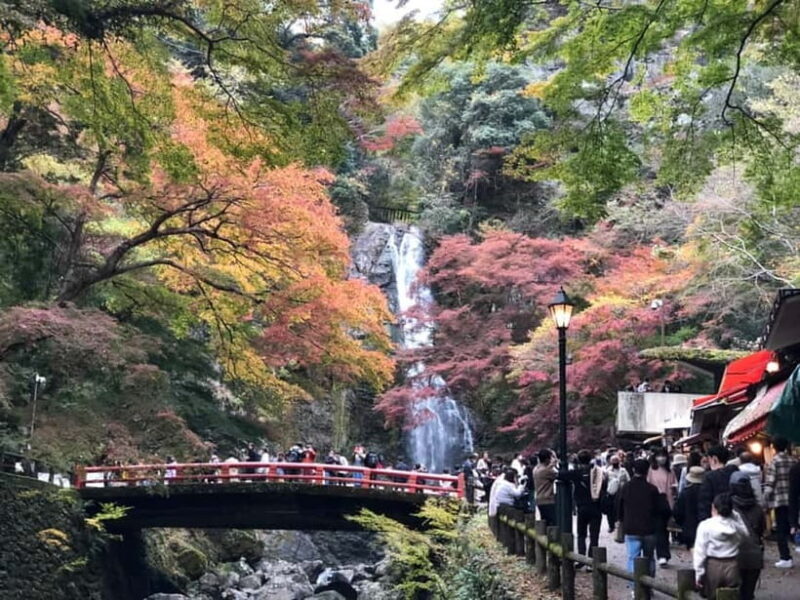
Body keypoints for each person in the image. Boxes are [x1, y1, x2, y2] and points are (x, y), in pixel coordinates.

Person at [693, 493, 748, 598]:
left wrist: (698, 574)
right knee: (731, 596)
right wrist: (735, 515)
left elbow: (700, 552)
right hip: (732, 565)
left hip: (713, 566)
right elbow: (746, 535)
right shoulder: (736, 526)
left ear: (714, 507)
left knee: (712, 596)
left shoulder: (705, 525)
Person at [617, 459, 664, 579]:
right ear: (647, 471)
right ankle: (649, 582)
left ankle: (634, 584)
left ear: (633, 470)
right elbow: (659, 509)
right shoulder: (652, 489)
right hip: (649, 528)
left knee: (633, 557)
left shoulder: (626, 487)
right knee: (649, 557)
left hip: (631, 528)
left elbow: (619, 508)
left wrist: (620, 520)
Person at [730, 471, 765, 600]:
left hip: (733, 554)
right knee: (748, 593)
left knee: (734, 592)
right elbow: (762, 530)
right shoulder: (757, 508)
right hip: (754, 555)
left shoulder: (727, 507)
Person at [764, 435, 796, 568]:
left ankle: (785, 557)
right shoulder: (793, 460)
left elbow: (770, 483)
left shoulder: (774, 462)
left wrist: (765, 499)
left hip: (780, 499)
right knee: (794, 525)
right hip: (794, 499)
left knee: (781, 530)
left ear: (774, 447)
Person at [568, 449, 605, 559]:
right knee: (594, 535)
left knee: (581, 534)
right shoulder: (597, 472)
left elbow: (561, 475)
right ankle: (592, 558)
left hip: (582, 507)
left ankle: (581, 557)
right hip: (595, 506)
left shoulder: (576, 473)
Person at [647, 448, 677, 565]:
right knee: (659, 529)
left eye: (663, 455)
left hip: (668, 502)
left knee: (665, 529)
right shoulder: (651, 470)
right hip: (655, 502)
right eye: (659, 455)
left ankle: (664, 553)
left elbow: (674, 485)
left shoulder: (670, 470)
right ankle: (662, 555)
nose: (662, 458)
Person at [698, 446, 737, 522]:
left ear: (714, 459)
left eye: (709, 459)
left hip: (717, 519)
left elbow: (705, 504)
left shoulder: (709, 477)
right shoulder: (735, 472)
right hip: (736, 518)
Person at [673, 466, 704, 549]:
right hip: (704, 527)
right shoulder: (707, 491)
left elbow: (678, 511)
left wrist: (681, 523)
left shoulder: (685, 492)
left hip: (688, 528)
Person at [604, 453, 630, 532]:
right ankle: (611, 526)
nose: (615, 462)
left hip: (621, 492)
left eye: (616, 461)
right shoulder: (608, 471)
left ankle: (620, 524)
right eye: (613, 461)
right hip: (611, 493)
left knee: (620, 509)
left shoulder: (623, 470)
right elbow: (605, 482)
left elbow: (628, 480)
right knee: (610, 511)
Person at [534, 448, 558, 526]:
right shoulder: (546, 471)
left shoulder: (536, 469)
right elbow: (557, 474)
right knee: (552, 524)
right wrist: (554, 462)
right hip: (547, 500)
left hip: (539, 499)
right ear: (547, 459)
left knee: (544, 522)